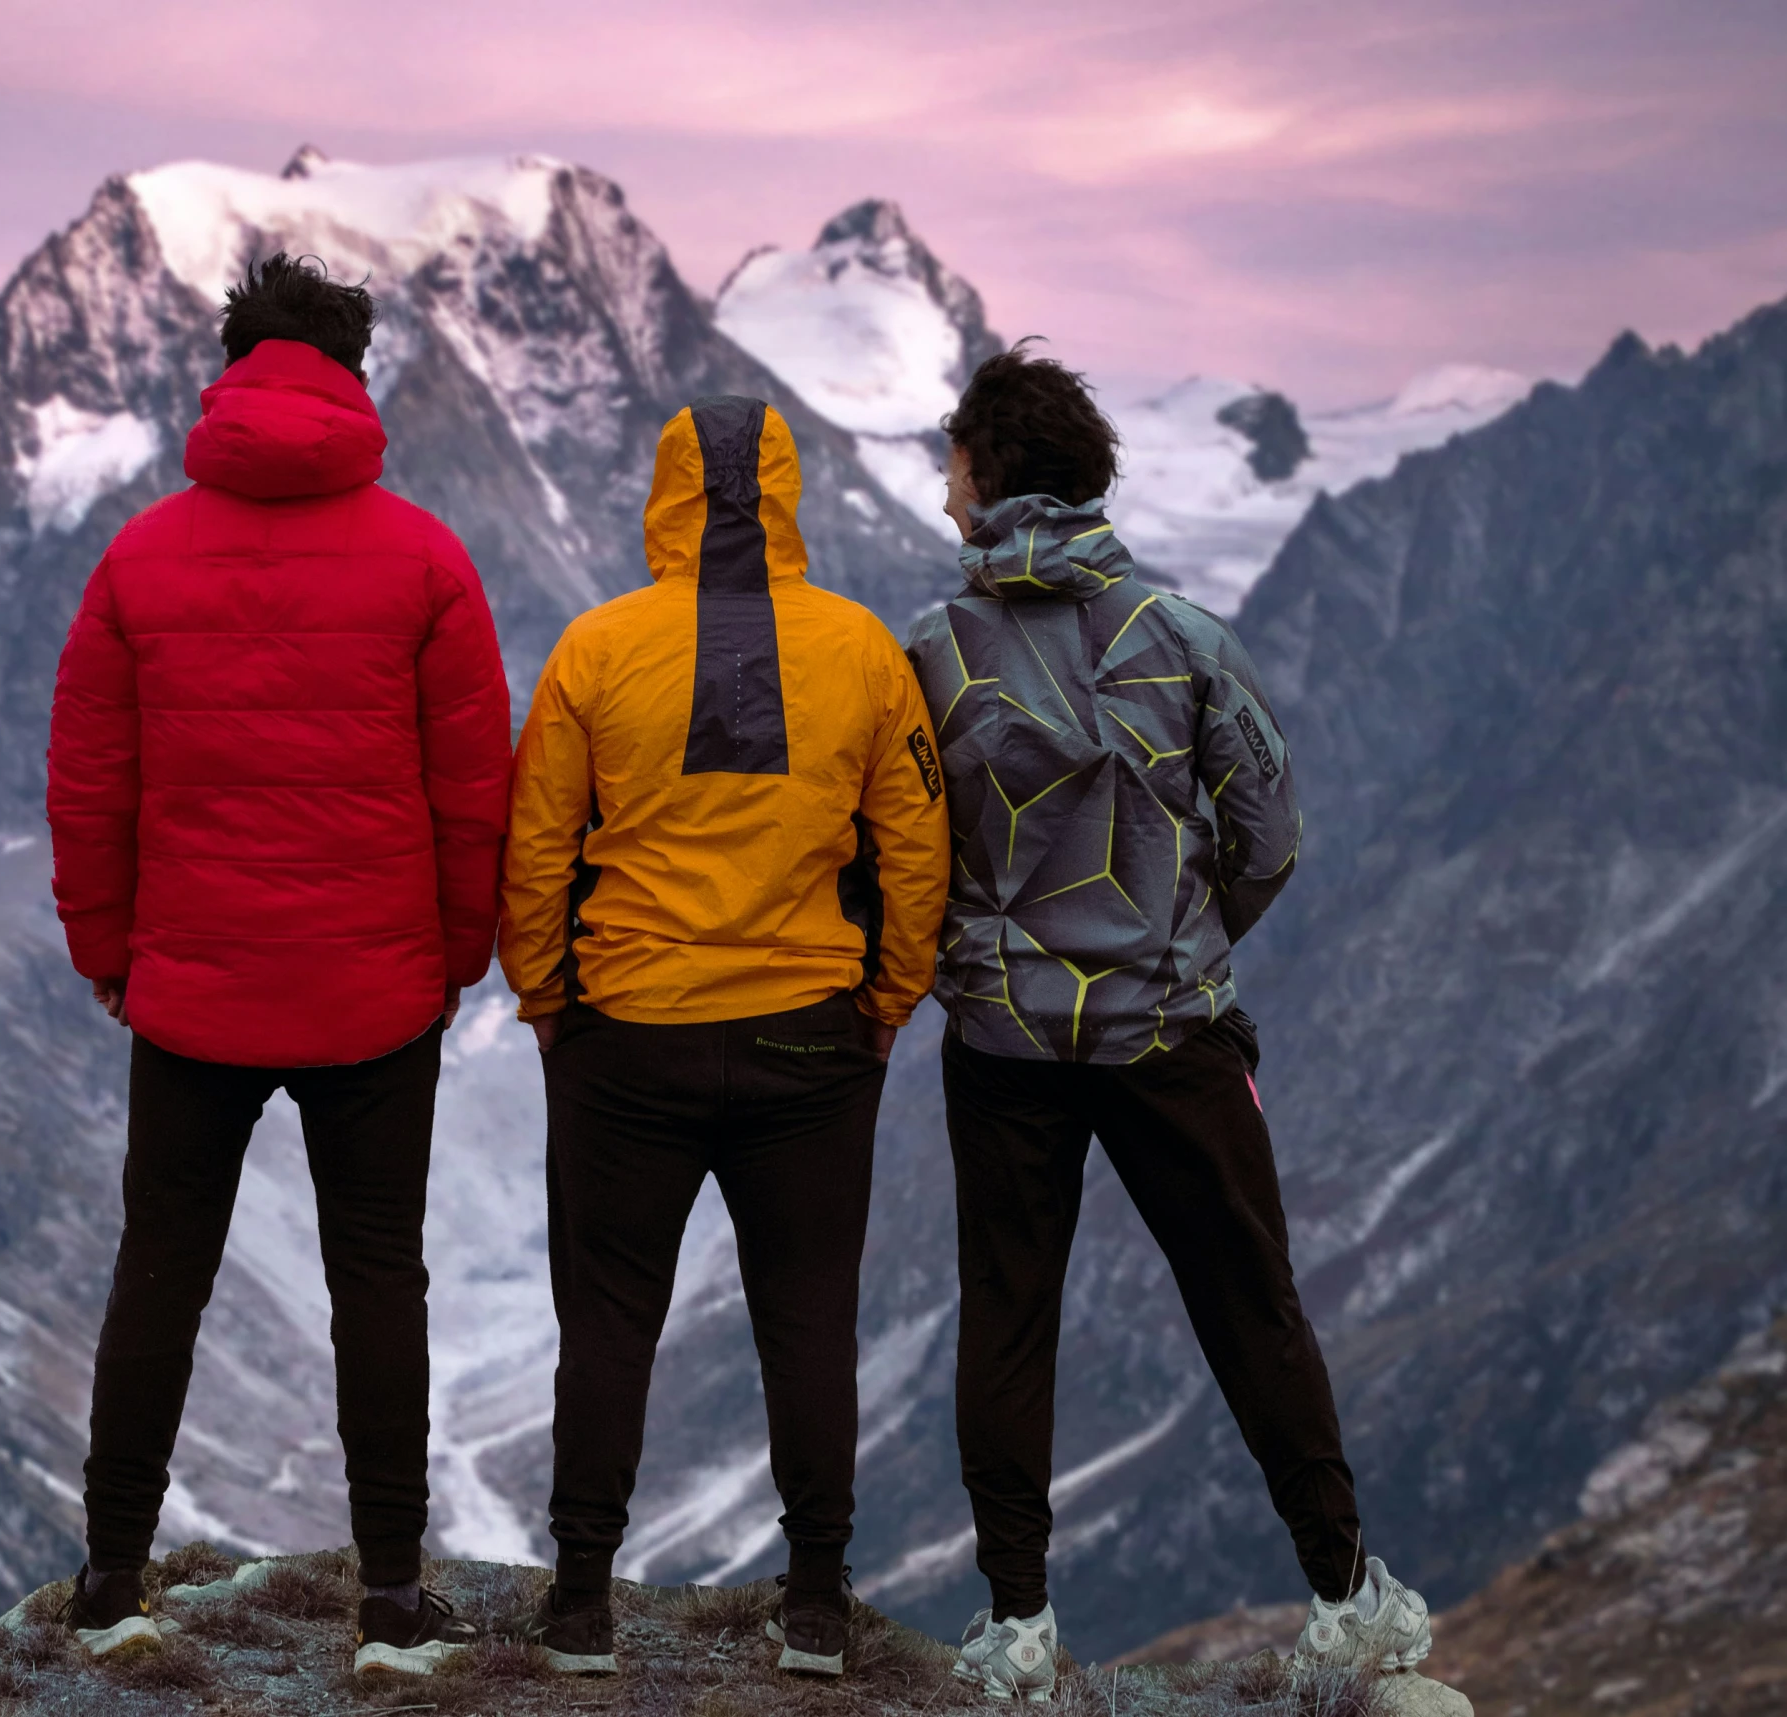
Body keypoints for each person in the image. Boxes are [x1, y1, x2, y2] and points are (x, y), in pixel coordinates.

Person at [905, 345, 1434, 1702]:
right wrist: (1176, 949)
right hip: (1170, 1034)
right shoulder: (1188, 639)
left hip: (1004, 1046)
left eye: (954, 458)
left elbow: (899, 856)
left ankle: (1015, 1629)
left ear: (993, 474)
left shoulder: (928, 652)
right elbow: (1268, 837)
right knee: (1248, 1303)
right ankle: (1346, 1595)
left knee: (1008, 1319)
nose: (943, 479)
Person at [44, 254, 509, 1672]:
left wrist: (109, 951)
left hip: (189, 993)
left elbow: (87, 777)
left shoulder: (138, 555)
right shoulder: (426, 557)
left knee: (158, 1272)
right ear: (354, 377)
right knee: (378, 1277)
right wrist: (452, 958)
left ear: (230, 370)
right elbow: (472, 786)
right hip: (375, 995)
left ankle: (113, 1585)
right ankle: (386, 1602)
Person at [499, 395, 951, 1679]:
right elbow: (917, 851)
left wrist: (546, 1002)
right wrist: (885, 999)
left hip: (626, 1035)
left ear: (667, 494)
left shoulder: (596, 648)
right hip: (810, 1040)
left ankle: (580, 1600)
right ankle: (815, 1603)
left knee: (608, 1317)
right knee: (807, 1318)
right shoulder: (864, 651)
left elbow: (535, 848)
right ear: (790, 493)